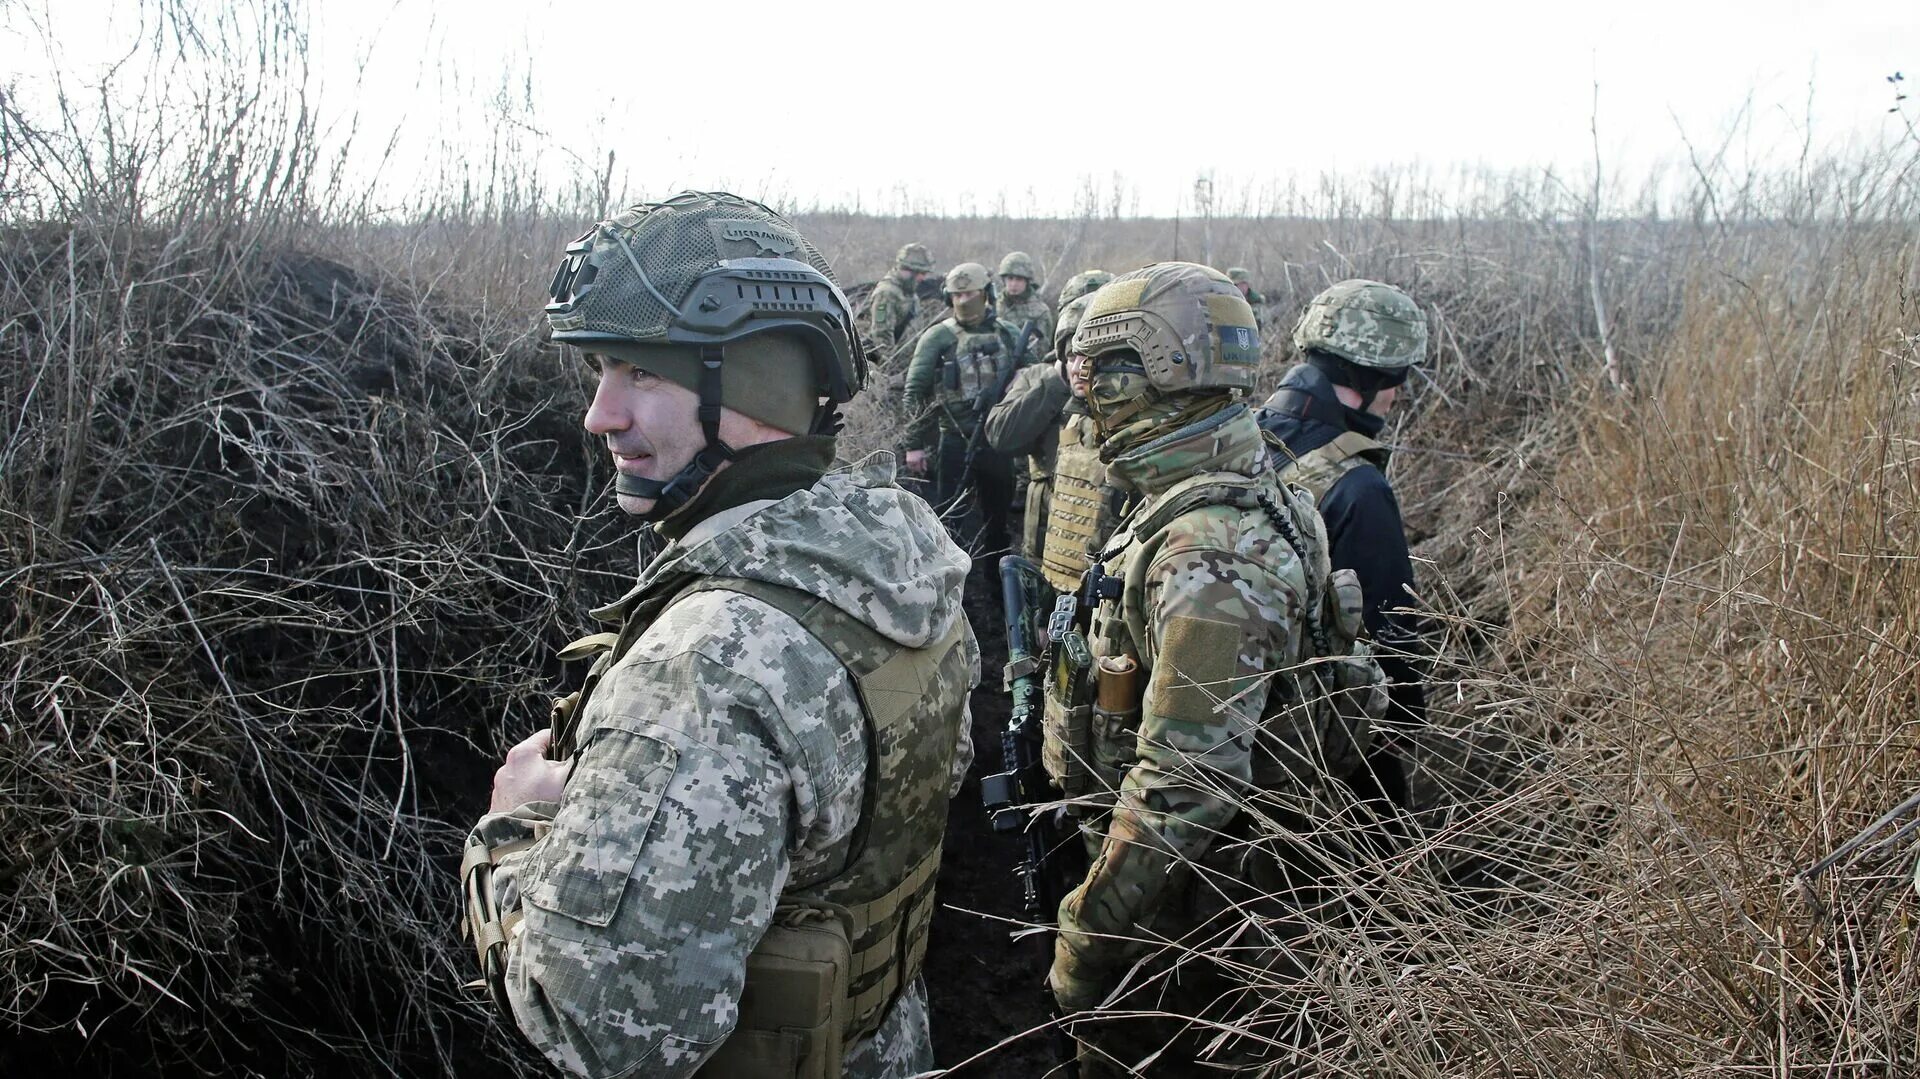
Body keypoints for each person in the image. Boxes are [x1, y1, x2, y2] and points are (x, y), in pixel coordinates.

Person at [460, 191, 978, 1079]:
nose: (601, 414)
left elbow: (604, 1028)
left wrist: (519, 825)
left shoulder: (706, 666)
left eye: (640, 373)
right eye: (600, 373)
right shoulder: (895, 559)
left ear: (745, 386)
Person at [1043, 262, 1386, 1076]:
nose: (1084, 392)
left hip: (1185, 925)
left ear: (1148, 377)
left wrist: (1085, 941)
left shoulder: (1210, 553)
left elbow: (1184, 790)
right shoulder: (1245, 477)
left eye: (1097, 372)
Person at [1255, 278, 1431, 812]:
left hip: (1224, 730)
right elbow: (1391, 638)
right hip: (1320, 752)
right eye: (1396, 380)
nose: (1397, 395)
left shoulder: (1246, 437)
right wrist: (1399, 733)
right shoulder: (1358, 487)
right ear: (1374, 377)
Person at [901, 261, 1035, 554]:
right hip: (954, 440)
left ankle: (996, 582)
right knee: (948, 519)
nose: (963, 301)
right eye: (957, 296)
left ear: (986, 293)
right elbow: (915, 392)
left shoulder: (1009, 333)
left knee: (997, 521)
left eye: (969, 295)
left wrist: (1019, 381)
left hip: (1000, 441)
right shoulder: (938, 337)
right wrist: (913, 445)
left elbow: (1037, 379)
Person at [983, 293, 1109, 575]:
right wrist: (1054, 383)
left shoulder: (1118, 390)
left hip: (1098, 538)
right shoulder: (1038, 378)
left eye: (1090, 357)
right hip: (1043, 536)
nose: (1081, 368)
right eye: (1073, 356)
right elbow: (1001, 436)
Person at [868, 242, 934, 364]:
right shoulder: (886, 293)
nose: (922, 278)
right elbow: (881, 335)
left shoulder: (908, 292)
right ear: (910, 270)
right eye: (921, 273)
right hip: (888, 364)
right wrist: (891, 367)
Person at [997, 250, 1055, 347]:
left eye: (1019, 279)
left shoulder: (1040, 312)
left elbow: (1042, 348)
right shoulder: (993, 306)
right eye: (1010, 278)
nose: (1013, 284)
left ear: (1027, 281)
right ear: (1004, 280)